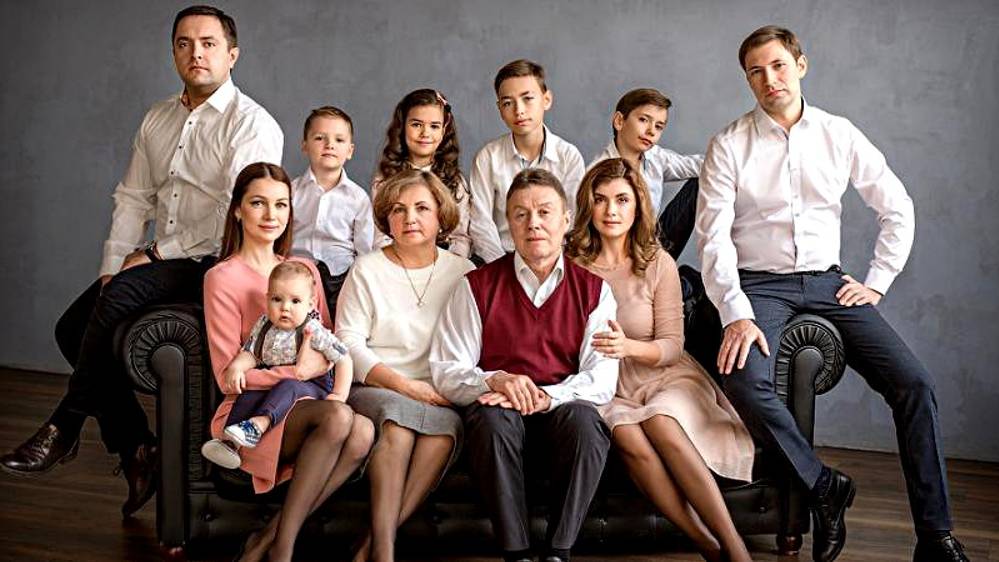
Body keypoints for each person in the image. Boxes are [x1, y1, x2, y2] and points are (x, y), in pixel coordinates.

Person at [696, 25, 969, 562]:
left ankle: (936, 536)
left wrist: (877, 281)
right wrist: (735, 311)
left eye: (778, 65)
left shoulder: (838, 134)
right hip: (758, 285)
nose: (769, 79)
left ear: (801, 65)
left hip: (829, 283)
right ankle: (824, 486)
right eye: (756, 72)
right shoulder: (728, 144)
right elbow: (713, 240)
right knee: (742, 377)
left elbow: (897, 207)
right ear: (747, 80)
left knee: (915, 383)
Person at [0, 5, 283, 518]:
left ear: (232, 55)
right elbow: (133, 197)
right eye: (184, 44)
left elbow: (233, 212)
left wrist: (152, 253)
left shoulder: (252, 125)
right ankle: (136, 447)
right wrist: (113, 264)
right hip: (161, 259)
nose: (196, 53)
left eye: (209, 43)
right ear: (173, 52)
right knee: (72, 328)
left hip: (215, 262)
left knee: (121, 294)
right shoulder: (158, 117)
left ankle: (64, 426)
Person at [566, 158, 754, 562]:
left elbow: (671, 344)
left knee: (660, 420)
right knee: (629, 436)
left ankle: (735, 547)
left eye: (622, 200)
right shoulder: (572, 265)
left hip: (663, 374)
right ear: (588, 206)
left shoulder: (657, 262)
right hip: (605, 383)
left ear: (638, 206)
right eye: (600, 200)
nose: (611, 210)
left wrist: (628, 348)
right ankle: (706, 543)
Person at [431, 168, 618, 562]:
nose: (533, 223)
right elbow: (446, 369)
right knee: (491, 418)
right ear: (509, 224)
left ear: (566, 220)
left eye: (544, 212)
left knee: (587, 422)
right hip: (499, 416)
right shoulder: (476, 285)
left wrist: (546, 397)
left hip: (560, 411)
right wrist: (495, 380)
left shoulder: (595, 291)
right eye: (521, 214)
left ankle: (558, 551)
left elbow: (602, 378)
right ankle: (515, 553)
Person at [203, 162, 373, 562]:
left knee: (363, 431)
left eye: (281, 204)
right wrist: (294, 373)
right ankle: (283, 549)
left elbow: (326, 349)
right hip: (251, 413)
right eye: (258, 203)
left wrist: (315, 374)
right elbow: (229, 378)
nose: (271, 215)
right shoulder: (222, 278)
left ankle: (268, 540)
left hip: (308, 400)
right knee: (339, 418)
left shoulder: (305, 270)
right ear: (237, 210)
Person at [336, 169, 474, 562]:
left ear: (441, 217)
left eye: (421, 208)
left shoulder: (463, 273)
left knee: (442, 435)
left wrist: (441, 388)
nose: (409, 218)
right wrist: (405, 386)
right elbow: (347, 343)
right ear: (387, 219)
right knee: (397, 426)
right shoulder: (367, 269)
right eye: (398, 210)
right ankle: (384, 552)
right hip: (376, 385)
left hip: (438, 392)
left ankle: (370, 545)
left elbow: (472, 346)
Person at [201, 260, 354, 470]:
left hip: (312, 386)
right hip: (277, 385)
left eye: (295, 301)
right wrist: (237, 367)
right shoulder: (265, 325)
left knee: (288, 387)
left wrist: (339, 395)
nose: (285, 308)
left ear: (310, 304)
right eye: (277, 299)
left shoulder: (313, 330)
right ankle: (229, 442)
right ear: (267, 300)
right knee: (247, 396)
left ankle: (259, 424)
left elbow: (344, 358)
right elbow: (252, 354)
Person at [469, 59, 586, 263]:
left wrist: (548, 263)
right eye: (508, 103)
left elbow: (573, 220)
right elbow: (481, 224)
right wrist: (504, 269)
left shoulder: (568, 156)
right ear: (499, 108)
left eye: (528, 99)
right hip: (501, 260)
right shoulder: (488, 157)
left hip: (554, 260)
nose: (519, 110)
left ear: (546, 100)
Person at [588, 88, 704, 258]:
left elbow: (700, 165)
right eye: (643, 120)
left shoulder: (655, 156)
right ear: (619, 121)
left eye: (659, 126)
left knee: (702, 180)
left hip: (651, 245)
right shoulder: (596, 171)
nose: (651, 131)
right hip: (613, 251)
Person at [291, 105, 374, 318]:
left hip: (340, 277)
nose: (329, 145)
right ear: (304, 145)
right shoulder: (291, 191)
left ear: (350, 151)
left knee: (339, 322)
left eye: (339, 140)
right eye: (320, 138)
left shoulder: (358, 198)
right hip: (295, 273)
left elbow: (364, 249)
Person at [371, 89, 473, 257]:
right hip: (397, 260)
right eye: (416, 125)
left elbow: (461, 238)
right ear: (402, 127)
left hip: (444, 262)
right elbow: (380, 237)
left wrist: (447, 266)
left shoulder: (455, 181)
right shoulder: (385, 180)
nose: (425, 133)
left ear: (444, 130)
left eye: (434, 126)